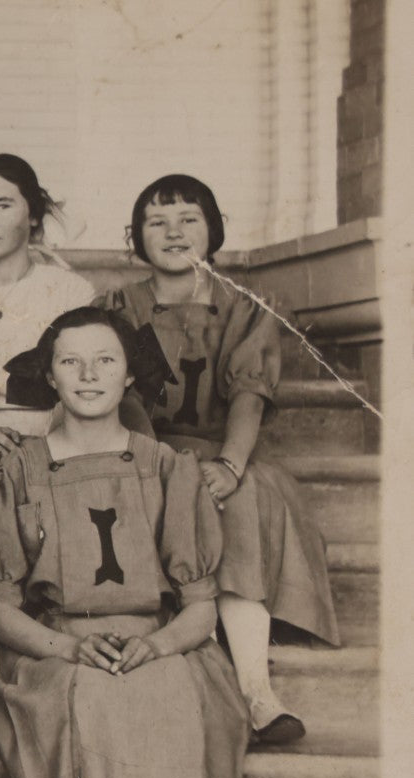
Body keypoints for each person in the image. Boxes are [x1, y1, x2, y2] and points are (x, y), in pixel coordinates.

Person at [0, 306, 248, 778]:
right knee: (95, 708)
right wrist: (67, 647)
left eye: (105, 361)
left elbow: (199, 609)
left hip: (157, 641)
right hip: (54, 648)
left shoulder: (167, 467)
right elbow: (2, 611)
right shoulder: (15, 467)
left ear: (131, 372)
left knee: (170, 702)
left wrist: (155, 646)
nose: (89, 376)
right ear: (48, 373)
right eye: (71, 362)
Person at [100, 174, 339, 747]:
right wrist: (159, 464)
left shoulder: (247, 307)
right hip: (141, 449)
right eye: (156, 222)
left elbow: (249, 394)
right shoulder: (116, 305)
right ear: (135, 238)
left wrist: (229, 466)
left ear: (214, 232)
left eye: (189, 220)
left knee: (247, 495)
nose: (173, 232)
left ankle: (257, 691)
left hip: (223, 451)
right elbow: (122, 399)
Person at [0, 154, 147, 480]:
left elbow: (76, 384)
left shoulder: (70, 290)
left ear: (33, 215)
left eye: (2, 205)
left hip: (59, 441)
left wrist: (42, 447)